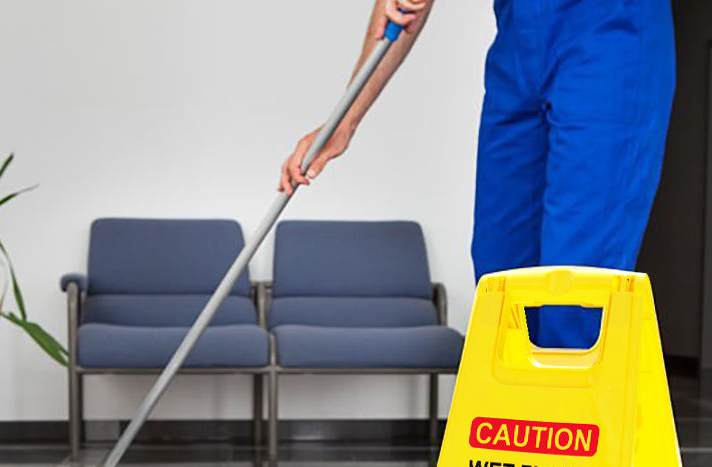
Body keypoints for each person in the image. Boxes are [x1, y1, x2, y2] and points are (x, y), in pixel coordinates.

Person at [279, 0, 675, 349]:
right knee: (501, 279)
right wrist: (345, 121)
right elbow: (401, 9)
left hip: (610, 34)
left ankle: (573, 427)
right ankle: (515, 424)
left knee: (575, 289)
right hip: (519, 45)